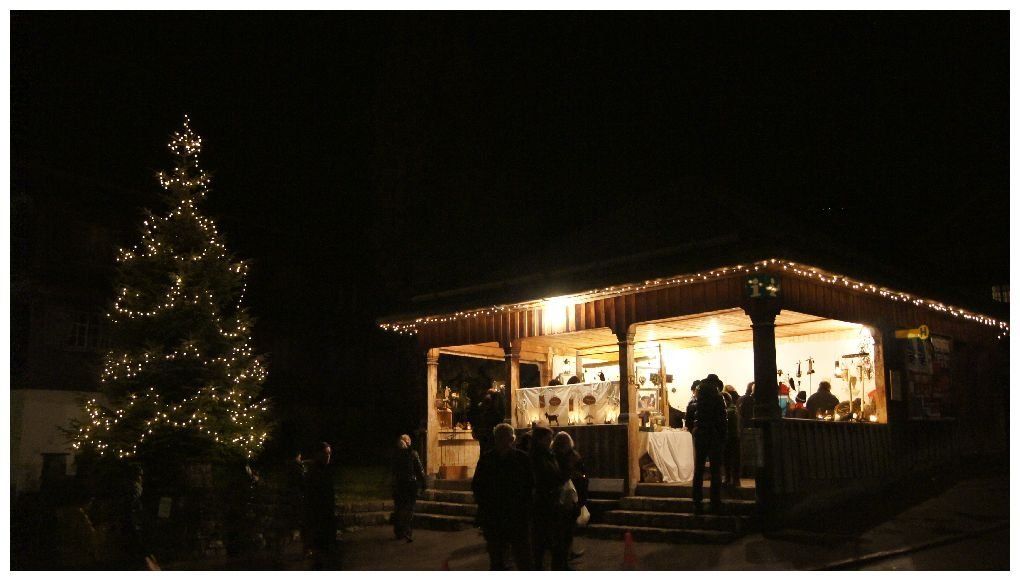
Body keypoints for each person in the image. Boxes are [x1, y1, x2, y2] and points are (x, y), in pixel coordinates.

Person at [472, 423, 534, 570]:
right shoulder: (521, 458)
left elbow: (477, 486)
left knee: (500, 557)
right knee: (518, 556)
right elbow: (530, 486)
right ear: (512, 439)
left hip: (500, 515)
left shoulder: (487, 459)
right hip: (511, 515)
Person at [529, 427, 569, 570]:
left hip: (550, 502)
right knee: (544, 540)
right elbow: (546, 477)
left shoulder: (548, 455)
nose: (550, 441)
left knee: (551, 540)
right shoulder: (537, 457)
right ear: (540, 440)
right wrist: (562, 477)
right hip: (543, 503)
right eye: (548, 439)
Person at [687, 374, 727, 513]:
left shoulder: (695, 400)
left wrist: (694, 430)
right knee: (716, 470)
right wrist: (723, 435)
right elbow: (722, 419)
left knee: (699, 469)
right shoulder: (718, 398)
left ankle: (697, 501)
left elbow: (689, 419)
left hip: (700, 434)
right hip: (714, 434)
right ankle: (715, 501)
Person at [552, 432, 588, 569]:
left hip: (569, 495)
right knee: (564, 531)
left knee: (566, 530)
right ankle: (563, 562)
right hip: (566, 497)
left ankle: (566, 556)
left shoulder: (556, 456)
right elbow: (568, 474)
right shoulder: (562, 457)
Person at [303, 442, 337, 563]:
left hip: (327, 511)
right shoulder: (314, 472)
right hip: (318, 513)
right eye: (325, 453)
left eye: (329, 453)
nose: (328, 456)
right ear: (318, 454)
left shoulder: (327, 470)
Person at [392, 434, 426, 542]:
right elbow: (420, 470)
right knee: (409, 508)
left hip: (399, 484)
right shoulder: (413, 454)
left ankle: (399, 531)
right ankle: (407, 531)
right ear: (408, 442)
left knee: (399, 507)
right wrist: (424, 483)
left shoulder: (395, 455)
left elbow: (393, 471)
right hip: (410, 484)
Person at [721, 392, 741, 490]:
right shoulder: (734, 409)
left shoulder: (729, 411)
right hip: (733, 437)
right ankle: (733, 479)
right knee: (732, 459)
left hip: (730, 437)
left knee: (729, 459)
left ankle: (730, 479)